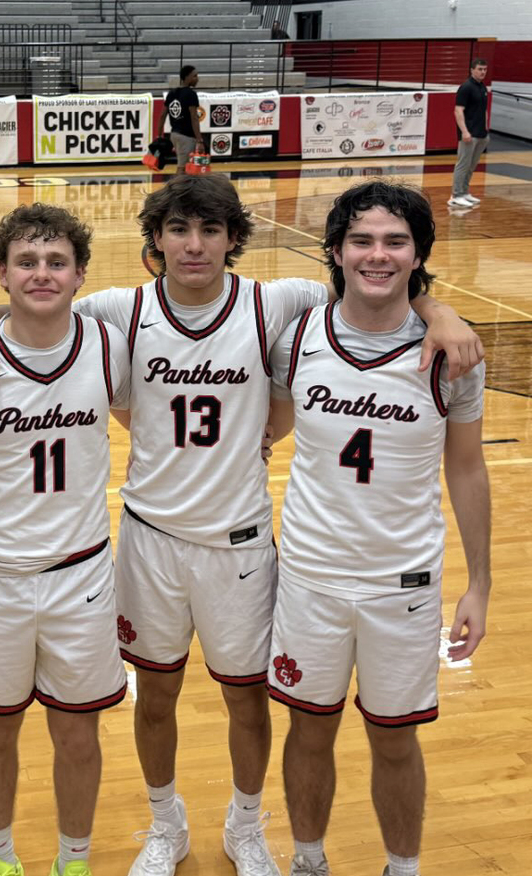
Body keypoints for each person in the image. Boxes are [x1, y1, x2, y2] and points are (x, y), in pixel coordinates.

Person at [0, 174, 483, 876]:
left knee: (247, 698)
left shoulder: (276, 303)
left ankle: (245, 825)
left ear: (234, 239)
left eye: (209, 230)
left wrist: (438, 309)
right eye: (178, 229)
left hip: (240, 544)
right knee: (158, 696)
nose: (193, 245)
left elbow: (374, 288)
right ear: (156, 241)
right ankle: (165, 826)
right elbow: (37, 300)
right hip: (149, 540)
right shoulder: (121, 311)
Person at [266, 180, 490, 876]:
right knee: (309, 730)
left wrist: (481, 584)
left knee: (395, 741)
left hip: (405, 584)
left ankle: (403, 867)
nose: (378, 255)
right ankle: (308, 861)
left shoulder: (451, 355)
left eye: (396, 241)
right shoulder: (297, 335)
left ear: (420, 251)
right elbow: (264, 432)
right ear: (333, 250)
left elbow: (468, 471)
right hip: (310, 577)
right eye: (361, 240)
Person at [0, 204, 131, 876]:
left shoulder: (107, 345)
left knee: (78, 732)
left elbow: (147, 425)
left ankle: (74, 861)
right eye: (26, 261)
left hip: (82, 575)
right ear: (2, 273)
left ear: (79, 276)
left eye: (56, 262)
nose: (41, 273)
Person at [447, 58, 490, 209]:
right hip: (469, 134)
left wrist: (485, 129)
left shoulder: (483, 88)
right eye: (480, 69)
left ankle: (464, 192)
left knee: (471, 166)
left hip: (481, 134)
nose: (482, 72)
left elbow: (483, 110)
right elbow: (458, 111)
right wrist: (465, 132)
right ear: (472, 70)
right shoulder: (466, 87)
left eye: (484, 69)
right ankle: (456, 195)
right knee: (463, 165)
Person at [158, 66, 204, 174]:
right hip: (186, 137)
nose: (197, 79)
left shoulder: (172, 93)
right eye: (195, 76)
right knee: (182, 168)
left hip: (174, 134)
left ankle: (182, 189)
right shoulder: (191, 95)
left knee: (183, 166)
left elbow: (162, 115)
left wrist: (159, 135)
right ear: (187, 77)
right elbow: (194, 118)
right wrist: (200, 140)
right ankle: (177, 190)